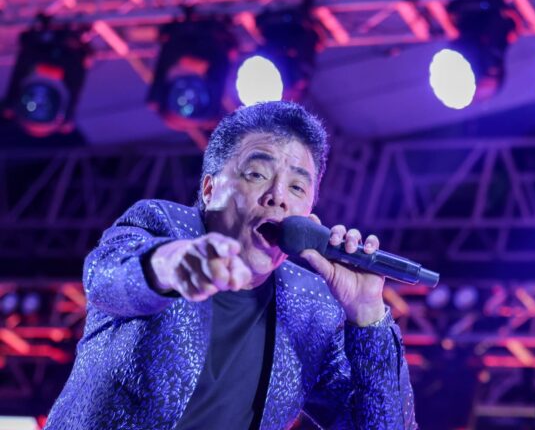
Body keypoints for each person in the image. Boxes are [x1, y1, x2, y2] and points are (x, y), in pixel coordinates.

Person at [44, 101, 417, 429]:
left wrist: (368, 315)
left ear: (308, 214)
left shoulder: (311, 311)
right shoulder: (161, 224)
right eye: (257, 174)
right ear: (209, 190)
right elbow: (106, 277)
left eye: (297, 188)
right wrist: (172, 265)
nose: (277, 197)